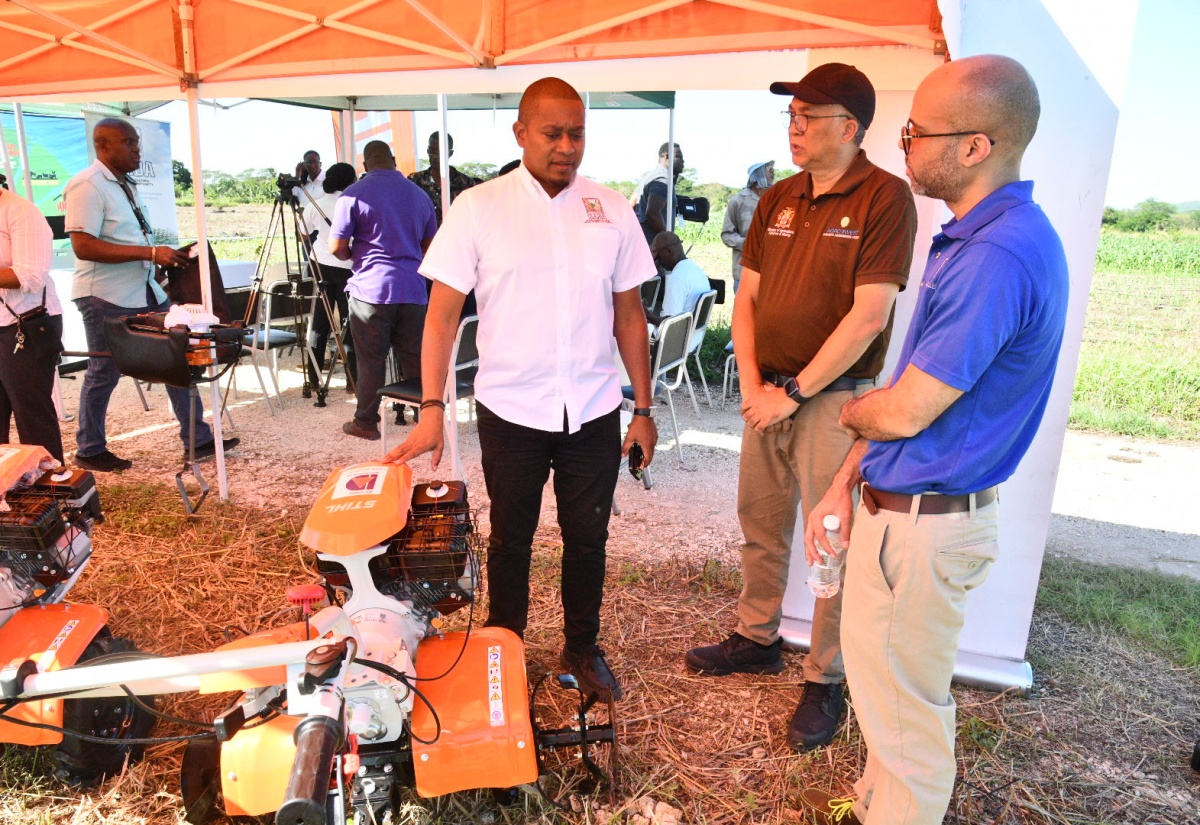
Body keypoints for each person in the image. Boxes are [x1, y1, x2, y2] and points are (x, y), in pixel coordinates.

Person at [799, 55, 1068, 825]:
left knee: (907, 721)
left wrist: (842, 411)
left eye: (917, 132)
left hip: (923, 524)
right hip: (910, 512)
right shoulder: (981, 236)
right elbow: (915, 397)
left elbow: (906, 408)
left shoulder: (995, 254)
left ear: (977, 146)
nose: (904, 145)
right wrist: (849, 481)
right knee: (890, 705)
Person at [385, 77, 658, 702]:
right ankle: (502, 651)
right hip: (511, 409)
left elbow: (630, 316)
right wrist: (433, 409)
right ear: (520, 133)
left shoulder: (612, 209)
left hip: (592, 410)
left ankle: (582, 649)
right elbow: (442, 316)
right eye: (552, 133)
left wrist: (642, 408)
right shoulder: (478, 207)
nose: (566, 146)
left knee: (588, 537)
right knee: (511, 538)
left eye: (577, 133)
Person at [683, 63, 918, 756]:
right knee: (760, 521)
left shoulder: (885, 198)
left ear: (849, 127)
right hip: (769, 395)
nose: (794, 125)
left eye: (809, 116)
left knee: (830, 540)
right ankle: (757, 637)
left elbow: (870, 316)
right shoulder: (778, 196)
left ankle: (826, 674)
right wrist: (755, 386)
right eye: (791, 115)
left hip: (834, 402)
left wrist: (793, 392)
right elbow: (747, 298)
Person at [65, 118, 238, 472]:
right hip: (105, 295)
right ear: (103, 146)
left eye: (137, 142)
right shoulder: (87, 185)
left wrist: (160, 261)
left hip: (144, 288)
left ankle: (198, 439)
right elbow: (83, 246)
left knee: (179, 357)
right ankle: (90, 448)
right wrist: (149, 254)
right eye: (128, 142)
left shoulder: (125, 184)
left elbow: (129, 240)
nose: (136, 149)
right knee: (104, 371)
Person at [329, 140, 437, 440]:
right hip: (413, 288)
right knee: (415, 356)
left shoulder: (352, 194)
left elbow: (336, 247)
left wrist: (355, 255)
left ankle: (366, 422)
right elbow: (431, 247)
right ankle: (425, 420)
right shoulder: (420, 195)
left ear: (365, 165)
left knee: (371, 359)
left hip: (370, 290)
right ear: (393, 159)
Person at [0, 186, 64, 462]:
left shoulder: (20, 210)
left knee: (32, 415)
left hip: (25, 323)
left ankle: (50, 493)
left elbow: (30, 275)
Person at [302, 161, 357, 396]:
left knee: (320, 325)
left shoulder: (316, 204)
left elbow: (303, 233)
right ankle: (352, 382)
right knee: (350, 324)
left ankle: (313, 379)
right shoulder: (354, 203)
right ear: (351, 181)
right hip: (348, 266)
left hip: (320, 264)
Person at [721, 161, 774, 294]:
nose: (773, 171)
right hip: (744, 272)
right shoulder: (738, 201)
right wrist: (748, 244)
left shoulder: (776, 199)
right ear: (758, 174)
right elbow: (727, 235)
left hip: (772, 273)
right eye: (769, 169)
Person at [407, 133, 482, 226]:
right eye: (431, 151)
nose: (434, 156)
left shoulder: (466, 183)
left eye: (440, 152)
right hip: (425, 239)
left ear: (450, 153)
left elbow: (474, 217)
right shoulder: (414, 181)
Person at [648, 231, 710, 319]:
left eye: (658, 257)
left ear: (668, 252)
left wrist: (648, 316)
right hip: (696, 332)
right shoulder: (697, 270)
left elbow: (670, 323)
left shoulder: (676, 278)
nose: (658, 263)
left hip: (681, 332)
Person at [632, 142, 685, 246]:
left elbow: (631, 204)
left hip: (642, 243)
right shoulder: (663, 180)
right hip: (655, 246)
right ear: (667, 157)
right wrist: (669, 239)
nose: (683, 161)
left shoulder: (649, 177)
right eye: (679, 157)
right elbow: (652, 213)